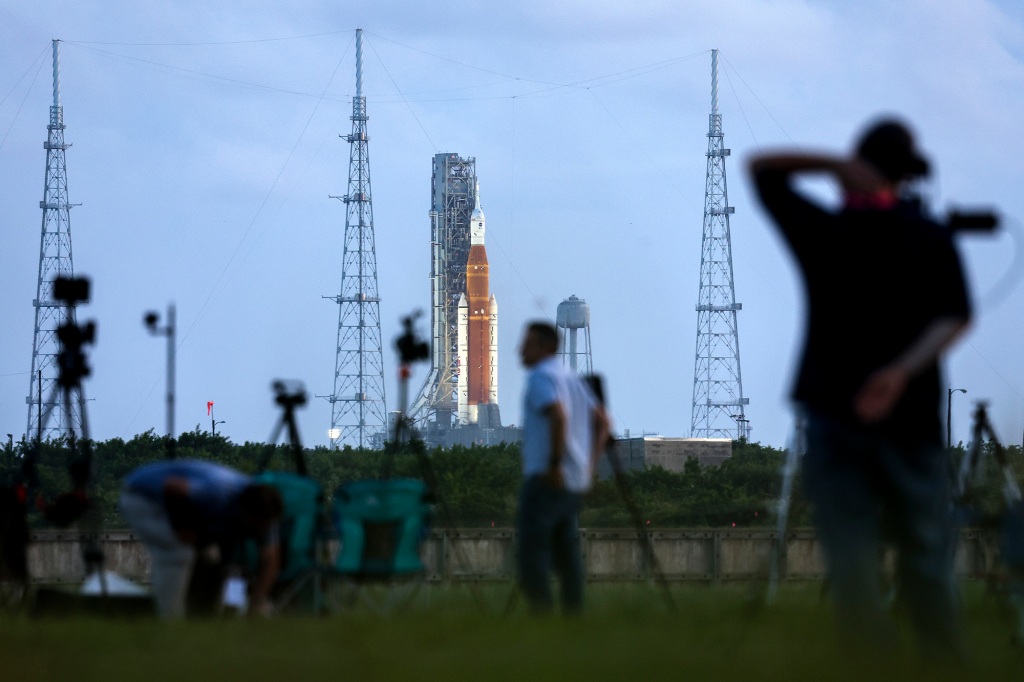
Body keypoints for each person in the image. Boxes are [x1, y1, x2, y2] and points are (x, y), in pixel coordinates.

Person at [748, 118, 972, 658]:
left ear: (859, 166)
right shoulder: (929, 236)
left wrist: (831, 165)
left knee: (850, 558)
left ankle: (869, 661)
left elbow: (760, 170)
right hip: (912, 421)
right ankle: (942, 660)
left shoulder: (827, 232)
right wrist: (900, 372)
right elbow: (956, 317)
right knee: (925, 553)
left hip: (831, 414)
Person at [516, 321, 610, 614]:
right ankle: (572, 617)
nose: (520, 349)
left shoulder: (541, 377)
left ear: (544, 347)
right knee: (567, 554)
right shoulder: (571, 378)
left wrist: (554, 465)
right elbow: (603, 422)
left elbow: (557, 417)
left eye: (527, 343)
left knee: (530, 553)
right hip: (573, 483)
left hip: (547, 478)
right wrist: (588, 466)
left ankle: (541, 617)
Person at [119, 459, 283, 619]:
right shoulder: (218, 491)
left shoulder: (265, 515)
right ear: (245, 512)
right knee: (177, 553)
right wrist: (183, 527)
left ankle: (203, 617)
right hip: (144, 497)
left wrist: (256, 600)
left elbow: (271, 559)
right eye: (257, 524)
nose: (261, 530)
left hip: (187, 510)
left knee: (212, 561)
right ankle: (171, 623)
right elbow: (172, 488)